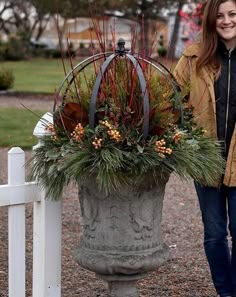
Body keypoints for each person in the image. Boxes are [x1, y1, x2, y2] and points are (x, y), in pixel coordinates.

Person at [173, 0, 236, 296]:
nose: (226, 21)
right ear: (211, 21)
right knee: (214, 235)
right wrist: (186, 141)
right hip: (207, 161)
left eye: (233, 14)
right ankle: (225, 292)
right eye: (220, 16)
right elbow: (169, 102)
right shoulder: (193, 57)